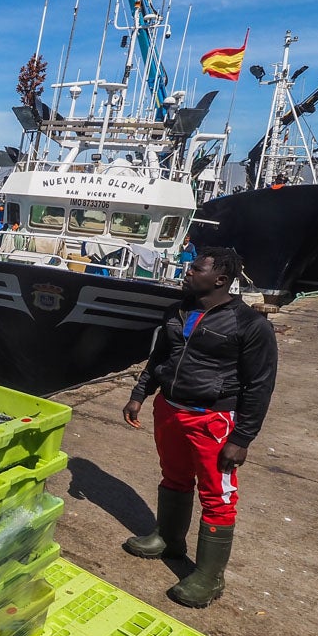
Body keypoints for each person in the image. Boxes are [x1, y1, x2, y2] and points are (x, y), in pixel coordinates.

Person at [121, 246, 278, 608]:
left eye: (195, 269)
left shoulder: (249, 325)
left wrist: (242, 439)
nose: (187, 273)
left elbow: (259, 386)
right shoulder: (177, 310)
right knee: (173, 476)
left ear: (220, 279)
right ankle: (169, 538)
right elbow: (160, 357)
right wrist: (139, 394)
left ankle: (209, 577)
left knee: (218, 496)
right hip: (170, 410)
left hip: (213, 419)